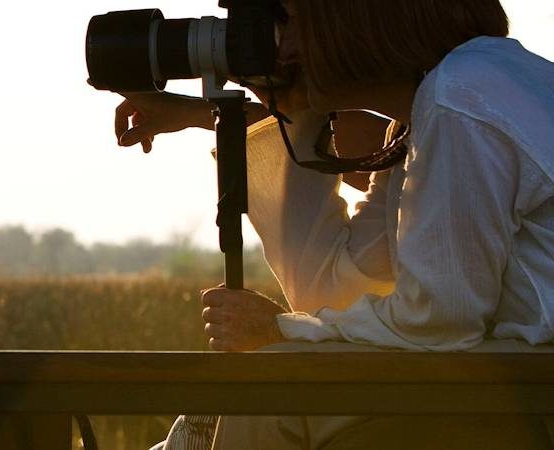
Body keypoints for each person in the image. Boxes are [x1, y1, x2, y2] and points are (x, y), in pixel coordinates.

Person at [112, 0, 554, 448]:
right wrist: (281, 113)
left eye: (300, 24)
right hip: (518, 375)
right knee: (252, 394)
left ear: (355, 18)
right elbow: (334, 288)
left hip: (535, 387)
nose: (285, 52)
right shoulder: (450, 100)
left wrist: (280, 330)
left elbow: (439, 320)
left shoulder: (460, 99)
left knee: (270, 388)